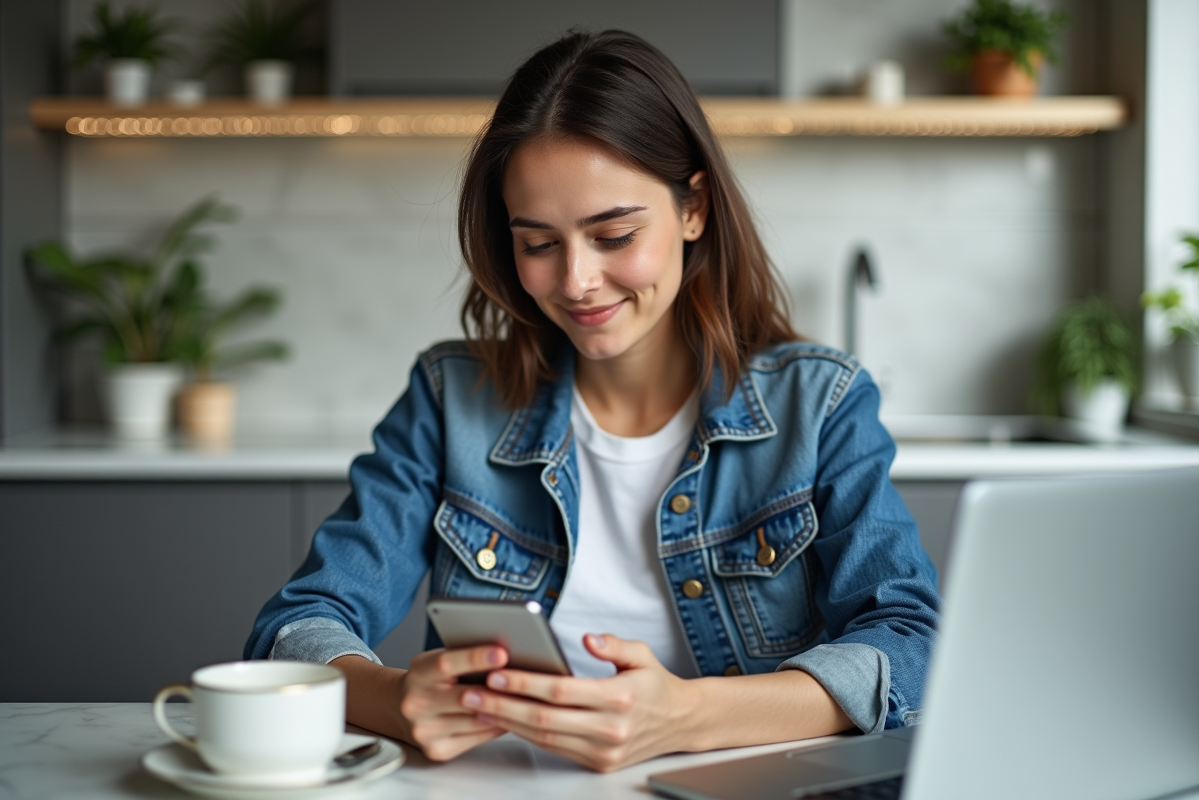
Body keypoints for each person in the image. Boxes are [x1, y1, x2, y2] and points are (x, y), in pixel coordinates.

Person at [245, 29, 939, 772]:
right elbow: (296, 627)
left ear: (694, 208)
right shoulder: (451, 399)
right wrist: (394, 700)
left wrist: (689, 716)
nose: (575, 280)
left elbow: (908, 646)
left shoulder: (820, 405)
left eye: (613, 233)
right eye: (538, 244)